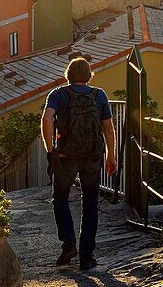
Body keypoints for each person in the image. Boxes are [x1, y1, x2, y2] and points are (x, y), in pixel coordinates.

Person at [41, 57, 117, 271]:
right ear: (89, 75)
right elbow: (109, 128)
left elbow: (47, 120)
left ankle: (68, 244)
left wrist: (50, 150)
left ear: (68, 75)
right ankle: (87, 256)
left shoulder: (58, 95)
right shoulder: (99, 95)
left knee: (60, 199)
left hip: (66, 156)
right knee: (90, 202)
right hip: (92, 155)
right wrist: (111, 155)